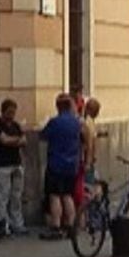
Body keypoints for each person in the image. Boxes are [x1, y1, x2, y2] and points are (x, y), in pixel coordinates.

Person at [39, 94, 81, 240]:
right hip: (72, 164)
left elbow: (43, 136)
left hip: (56, 163)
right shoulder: (76, 123)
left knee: (55, 196)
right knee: (68, 195)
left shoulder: (54, 122)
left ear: (58, 107)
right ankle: (71, 225)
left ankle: (56, 226)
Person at [0, 99, 28, 236]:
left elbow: (24, 141)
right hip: (1, 164)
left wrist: (14, 141)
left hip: (16, 163)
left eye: (13, 112)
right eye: (9, 112)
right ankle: (2, 224)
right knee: (2, 195)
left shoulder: (16, 125)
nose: (12, 115)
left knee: (16, 195)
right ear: (3, 111)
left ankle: (17, 223)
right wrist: (17, 140)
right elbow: (4, 140)